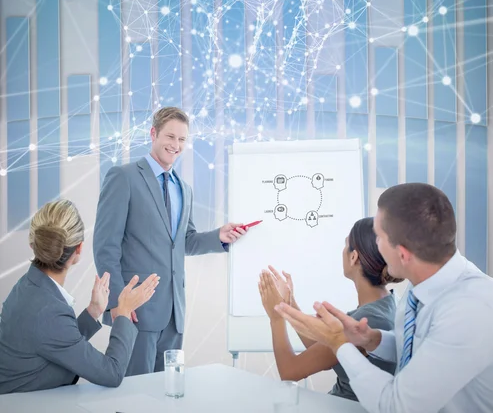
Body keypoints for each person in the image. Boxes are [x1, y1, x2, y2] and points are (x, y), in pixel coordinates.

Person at [275, 183, 493, 413]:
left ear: (402, 253)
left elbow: (397, 406)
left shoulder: (471, 310)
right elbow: (416, 345)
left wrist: (341, 343)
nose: (376, 246)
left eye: (378, 237)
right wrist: (372, 339)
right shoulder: (421, 287)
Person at [93, 106, 247, 377]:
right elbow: (105, 246)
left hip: (174, 313)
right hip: (136, 310)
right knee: (133, 394)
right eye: (170, 137)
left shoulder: (183, 189)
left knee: (166, 392)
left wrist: (218, 236)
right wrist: (120, 303)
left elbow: (183, 242)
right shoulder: (124, 177)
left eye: (182, 140)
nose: (176, 145)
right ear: (153, 134)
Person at [0, 199, 159, 394]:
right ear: (79, 249)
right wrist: (124, 312)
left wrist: (93, 312)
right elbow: (112, 373)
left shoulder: (27, 285)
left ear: (34, 245)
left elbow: (58, 342)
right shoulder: (49, 311)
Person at [258, 217, 401, 400]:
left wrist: (276, 318)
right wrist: (288, 303)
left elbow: (290, 371)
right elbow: (323, 347)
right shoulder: (385, 303)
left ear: (353, 257)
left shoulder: (369, 319)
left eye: (346, 245)